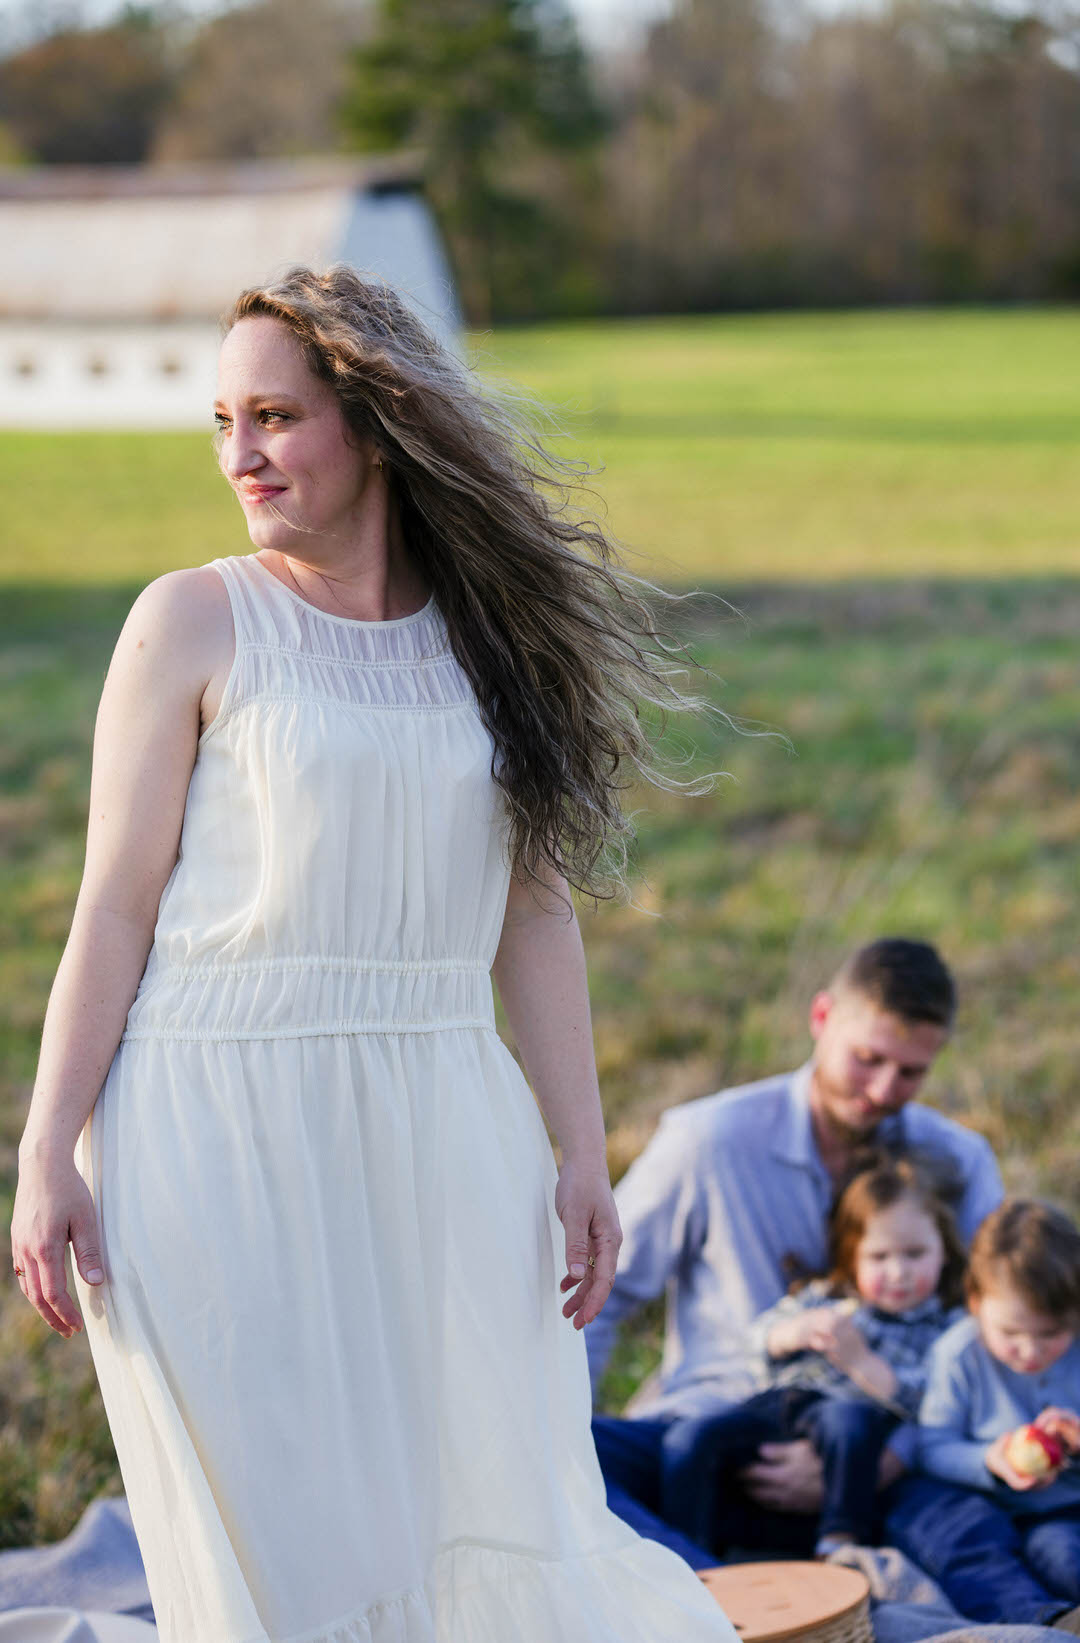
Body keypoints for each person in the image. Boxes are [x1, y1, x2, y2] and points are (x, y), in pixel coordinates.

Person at [9, 267, 738, 1643]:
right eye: (222, 420)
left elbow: (536, 912)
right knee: (287, 1549)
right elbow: (111, 903)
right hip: (208, 1118)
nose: (240, 454)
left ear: (377, 422)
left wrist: (582, 1151)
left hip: (446, 1114)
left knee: (485, 1499)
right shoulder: (193, 616)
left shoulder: (492, 645)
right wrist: (45, 1147)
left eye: (275, 416)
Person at [587, 937, 1004, 1556]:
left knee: (971, 1520)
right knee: (567, 1464)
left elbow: (990, 1330)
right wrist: (563, 1425)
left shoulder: (959, 1161)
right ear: (821, 1017)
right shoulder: (709, 1139)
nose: (885, 1089)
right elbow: (602, 1289)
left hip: (878, 1450)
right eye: (867, 1058)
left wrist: (887, 1456)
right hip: (707, 1431)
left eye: (911, 1072)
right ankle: (718, 1599)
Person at [660, 1156, 965, 1560]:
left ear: (943, 1252)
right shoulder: (825, 1296)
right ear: (853, 1257)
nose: (898, 1272)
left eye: (915, 1254)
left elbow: (929, 1403)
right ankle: (687, 1555)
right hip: (776, 1407)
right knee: (687, 1439)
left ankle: (841, 1544)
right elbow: (755, 1342)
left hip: (853, 1421)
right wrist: (791, 1334)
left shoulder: (942, 1328)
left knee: (848, 1420)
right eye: (880, 1257)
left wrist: (861, 1364)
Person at [887, 1200, 1080, 1629]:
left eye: (1051, 1334)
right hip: (976, 1501)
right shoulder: (959, 1354)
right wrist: (990, 1460)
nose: (1030, 1351)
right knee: (963, 1545)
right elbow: (932, 1447)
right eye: (1011, 1333)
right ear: (975, 1301)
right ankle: (1041, 1623)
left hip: (1060, 1508)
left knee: (1062, 1554)